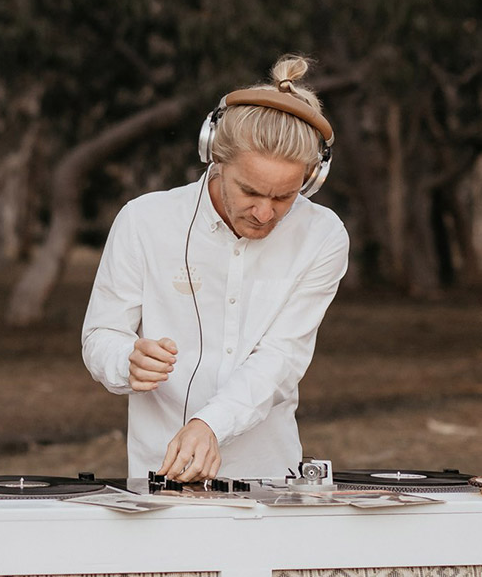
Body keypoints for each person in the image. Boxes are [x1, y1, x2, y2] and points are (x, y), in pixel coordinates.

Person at [81, 56, 349, 482]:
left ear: (312, 179)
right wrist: (125, 360)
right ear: (215, 159)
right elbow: (100, 336)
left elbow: (281, 359)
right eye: (250, 191)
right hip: (159, 474)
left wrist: (210, 425)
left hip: (271, 476)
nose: (265, 212)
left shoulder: (323, 236)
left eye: (284, 197)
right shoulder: (143, 220)